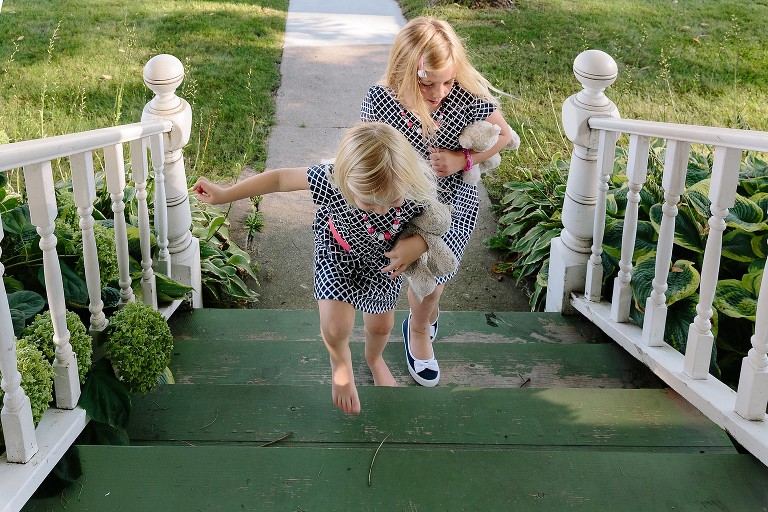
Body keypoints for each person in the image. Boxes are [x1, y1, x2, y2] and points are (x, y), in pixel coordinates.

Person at [192, 122, 447, 415]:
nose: (381, 210)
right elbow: (278, 180)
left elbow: (438, 224)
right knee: (336, 326)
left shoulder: (412, 187)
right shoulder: (331, 179)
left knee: (381, 327)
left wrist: (419, 245)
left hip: (385, 263)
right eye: (368, 202)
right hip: (337, 253)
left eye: (391, 202)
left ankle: (374, 359)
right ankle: (340, 365)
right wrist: (225, 195)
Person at [361, 16, 519, 388]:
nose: (439, 92)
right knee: (404, 270)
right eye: (427, 82)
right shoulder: (381, 101)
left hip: (453, 205)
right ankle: (420, 317)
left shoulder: (465, 97)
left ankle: (417, 329)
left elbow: (504, 135)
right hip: (402, 203)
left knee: (433, 281)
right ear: (403, 71)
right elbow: (372, 152)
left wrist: (464, 160)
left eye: (447, 81)